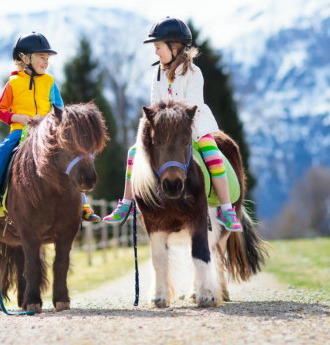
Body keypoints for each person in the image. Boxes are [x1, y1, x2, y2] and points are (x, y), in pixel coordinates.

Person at [103, 17, 242, 231]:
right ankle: (128, 203)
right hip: (165, 129)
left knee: (211, 152)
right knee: (133, 153)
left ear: (174, 47)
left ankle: (226, 207)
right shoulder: (157, 73)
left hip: (193, 125)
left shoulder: (194, 73)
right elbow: (155, 104)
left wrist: (172, 121)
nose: (156, 52)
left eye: (158, 47)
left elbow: (192, 107)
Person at [0, 32, 101, 223]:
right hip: (19, 132)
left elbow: (60, 110)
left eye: (47, 59)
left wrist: (46, 118)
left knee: (70, 156)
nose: (46, 62)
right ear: (25, 58)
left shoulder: (50, 82)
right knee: (4, 150)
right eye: (42, 58)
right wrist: (15, 117)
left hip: (47, 135)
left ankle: (83, 204)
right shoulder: (13, 83)